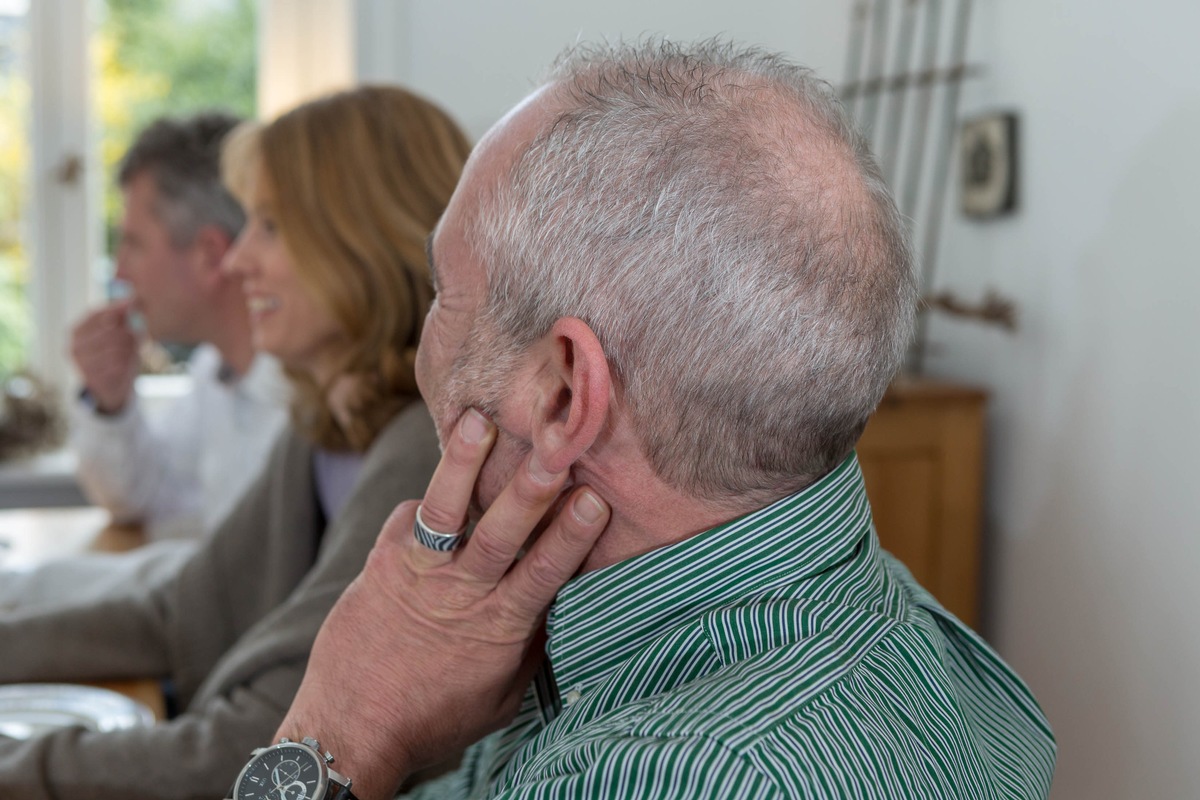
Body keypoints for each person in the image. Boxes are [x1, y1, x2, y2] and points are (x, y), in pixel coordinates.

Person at [262, 41, 1057, 800]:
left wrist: (343, 727)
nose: (421, 346)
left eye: (444, 294)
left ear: (564, 397)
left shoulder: (667, 776)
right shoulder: (886, 612)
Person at [0, 85, 471, 800]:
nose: (240, 258)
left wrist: (25, 771)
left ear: (362, 238)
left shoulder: (425, 450)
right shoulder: (326, 428)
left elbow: (264, 745)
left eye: (271, 227)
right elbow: (182, 612)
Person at [70, 112, 289, 542]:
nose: (120, 272)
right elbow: (137, 495)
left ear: (209, 255)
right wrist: (110, 402)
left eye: (132, 244)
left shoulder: (298, 405)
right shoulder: (216, 371)